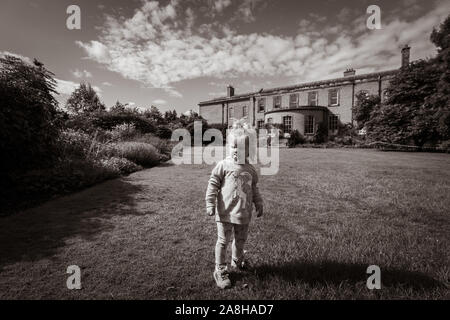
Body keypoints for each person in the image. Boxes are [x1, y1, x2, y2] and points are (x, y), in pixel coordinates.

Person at [205, 122, 264, 289]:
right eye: (233, 147)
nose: (237, 151)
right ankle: (220, 269)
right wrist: (210, 203)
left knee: (240, 240)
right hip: (225, 212)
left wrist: (258, 202)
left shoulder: (251, 169)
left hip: (243, 213)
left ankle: (237, 261)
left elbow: (254, 189)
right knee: (223, 241)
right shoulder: (223, 165)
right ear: (228, 147)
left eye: (242, 148)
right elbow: (213, 184)